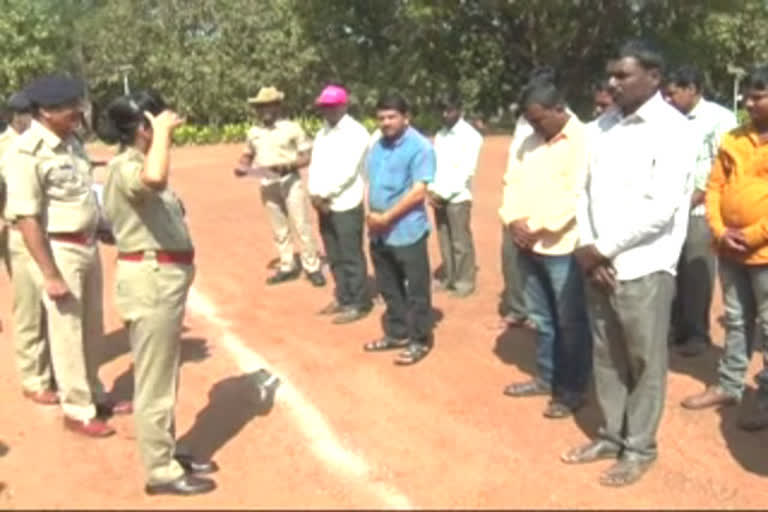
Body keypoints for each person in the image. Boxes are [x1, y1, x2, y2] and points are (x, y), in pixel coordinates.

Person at [563, 40, 693, 487]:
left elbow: (663, 207)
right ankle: (611, 435)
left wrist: (604, 248)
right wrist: (587, 247)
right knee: (607, 357)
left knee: (644, 362)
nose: (612, 83)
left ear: (654, 78)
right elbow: (581, 192)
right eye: (611, 75)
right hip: (596, 263)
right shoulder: (600, 127)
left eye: (622, 75)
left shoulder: (674, 130)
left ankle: (639, 446)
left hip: (644, 267)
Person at [100, 90, 217, 495]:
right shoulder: (125, 166)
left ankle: (165, 449)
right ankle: (161, 471)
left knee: (165, 371)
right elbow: (154, 178)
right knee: (154, 379)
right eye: (156, 120)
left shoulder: (138, 161)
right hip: (150, 280)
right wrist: (162, 132)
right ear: (143, 128)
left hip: (163, 280)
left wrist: (159, 134)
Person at [4, 74, 126, 437]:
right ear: (45, 111)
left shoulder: (71, 142)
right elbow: (26, 217)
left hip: (87, 244)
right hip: (60, 249)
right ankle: (77, 408)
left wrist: (102, 226)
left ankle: (94, 392)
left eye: (77, 104)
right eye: (69, 107)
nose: (77, 112)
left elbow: (82, 194)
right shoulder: (26, 152)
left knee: (91, 326)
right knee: (67, 331)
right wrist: (50, 273)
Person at [680, 65, 768, 431]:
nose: (748, 103)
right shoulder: (734, 137)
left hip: (762, 252)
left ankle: (765, 399)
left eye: (757, 97)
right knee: (735, 319)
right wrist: (719, 229)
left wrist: (755, 235)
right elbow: (714, 186)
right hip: (730, 249)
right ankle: (730, 385)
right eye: (746, 96)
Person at [499, 79, 592, 418]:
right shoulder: (528, 141)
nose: (535, 126)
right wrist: (512, 220)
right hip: (527, 245)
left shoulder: (584, 141)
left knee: (570, 322)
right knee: (542, 319)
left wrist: (536, 227)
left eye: (539, 119)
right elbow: (512, 182)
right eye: (530, 120)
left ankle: (572, 390)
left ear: (559, 109)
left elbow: (577, 195)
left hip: (563, 247)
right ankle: (547, 377)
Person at [662, 65, 738, 357]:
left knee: (696, 270)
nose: (668, 100)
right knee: (671, 270)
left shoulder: (719, 119)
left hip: (702, 210)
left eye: (673, 93)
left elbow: (727, 166)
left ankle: (697, 334)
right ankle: (675, 329)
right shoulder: (668, 120)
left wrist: (702, 193)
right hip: (670, 208)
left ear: (692, 89)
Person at [362, 94, 436, 365]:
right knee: (388, 286)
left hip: (407, 231)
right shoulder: (378, 146)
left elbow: (418, 192)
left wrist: (388, 217)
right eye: (381, 118)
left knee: (416, 288)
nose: (386, 122)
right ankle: (397, 333)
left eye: (392, 117)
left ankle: (419, 339)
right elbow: (370, 181)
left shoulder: (420, 147)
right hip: (379, 231)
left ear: (407, 117)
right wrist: (370, 215)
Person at [234, 86, 325, 287]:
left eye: (269, 105)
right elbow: (247, 155)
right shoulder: (254, 132)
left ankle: (312, 266)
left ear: (278, 106)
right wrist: (242, 166)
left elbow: (306, 156)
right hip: (267, 182)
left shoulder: (292, 128)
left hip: (290, 180)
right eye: (261, 106)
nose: (265, 110)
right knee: (279, 228)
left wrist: (288, 166)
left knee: (301, 224)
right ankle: (287, 265)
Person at [0, 91, 54, 403]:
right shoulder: (5, 147)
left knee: (54, 306)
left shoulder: (41, 142)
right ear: (14, 116)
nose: (29, 119)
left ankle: (55, 370)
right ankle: (34, 378)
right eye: (24, 114)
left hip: (49, 232)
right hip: (19, 234)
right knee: (29, 308)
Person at [307, 85, 372, 323]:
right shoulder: (322, 133)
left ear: (344, 105)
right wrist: (314, 193)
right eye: (324, 107)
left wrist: (325, 194)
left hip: (345, 202)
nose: (328, 111)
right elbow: (315, 165)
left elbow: (348, 170)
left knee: (350, 254)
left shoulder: (356, 133)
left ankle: (359, 302)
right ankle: (343, 297)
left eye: (332, 106)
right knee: (333, 254)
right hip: (323, 203)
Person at [428, 93, 483, 298]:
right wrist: (433, 190)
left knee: (460, 242)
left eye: (449, 110)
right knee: (444, 239)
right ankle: (449, 278)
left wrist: (444, 193)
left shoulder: (470, 136)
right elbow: (435, 165)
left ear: (459, 110)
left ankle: (465, 282)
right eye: (441, 111)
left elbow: (466, 170)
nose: (445, 115)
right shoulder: (440, 135)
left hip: (458, 196)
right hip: (438, 195)